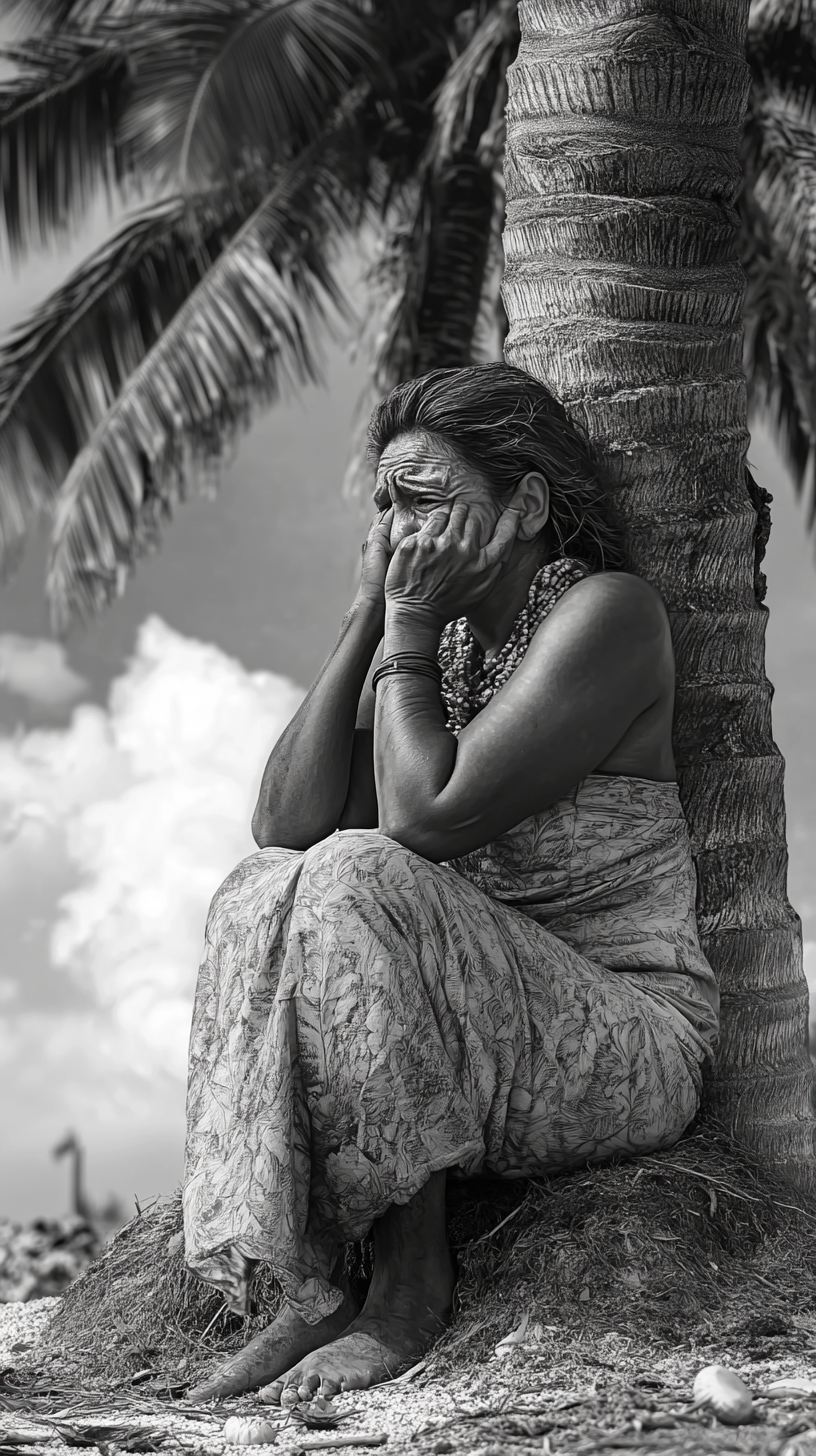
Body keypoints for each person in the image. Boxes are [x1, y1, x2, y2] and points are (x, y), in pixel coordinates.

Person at [183, 362, 719, 1404]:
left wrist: (411, 633)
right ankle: (311, 1290)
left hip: (623, 1033)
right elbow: (283, 819)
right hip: (473, 1028)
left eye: (422, 503)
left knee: (358, 869)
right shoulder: (431, 642)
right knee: (261, 883)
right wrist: (365, 620)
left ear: (523, 508)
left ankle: (408, 1287)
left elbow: (424, 820)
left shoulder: (607, 615)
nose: (393, 532)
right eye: (383, 507)